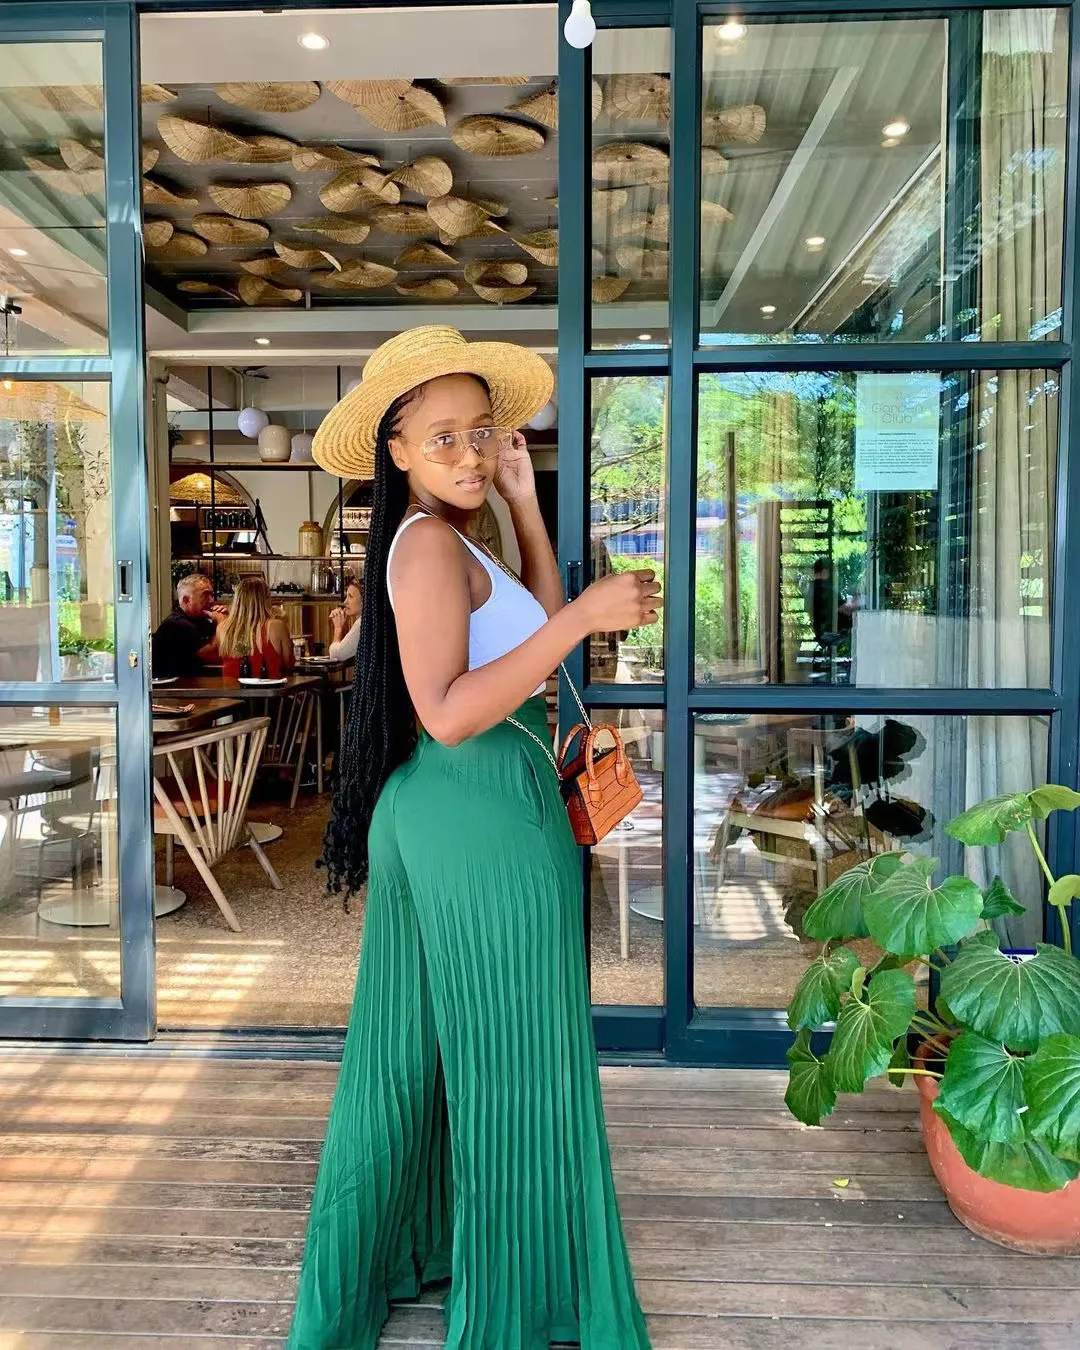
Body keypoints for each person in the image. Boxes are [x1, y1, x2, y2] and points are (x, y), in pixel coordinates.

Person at [286, 326, 660, 1350]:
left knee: (410, 1059)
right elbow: (448, 711)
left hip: (470, 810)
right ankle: (515, 1304)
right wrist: (583, 616)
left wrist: (527, 504)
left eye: (481, 432)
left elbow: (531, 633)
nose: (468, 452)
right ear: (397, 450)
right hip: (475, 809)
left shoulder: (458, 537)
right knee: (515, 1062)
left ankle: (387, 1268)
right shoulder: (423, 546)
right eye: (442, 436)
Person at [217, 574, 294, 679]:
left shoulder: (222, 628)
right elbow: (288, 665)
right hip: (269, 688)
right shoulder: (276, 626)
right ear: (265, 600)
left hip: (231, 689)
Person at [151, 572, 225, 677]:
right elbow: (208, 656)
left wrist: (226, 620)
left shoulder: (201, 621)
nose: (211, 600)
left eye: (211, 595)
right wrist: (222, 623)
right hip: (175, 685)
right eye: (205, 595)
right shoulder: (177, 624)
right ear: (186, 600)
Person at [327, 576, 361, 661]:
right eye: (346, 596)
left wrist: (338, 628)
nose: (345, 602)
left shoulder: (362, 623)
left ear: (364, 601)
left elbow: (337, 655)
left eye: (351, 596)